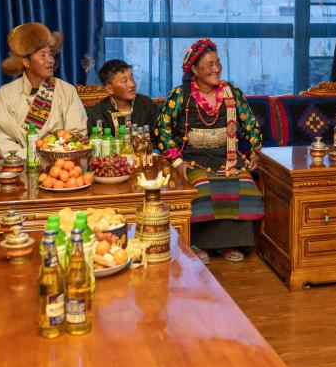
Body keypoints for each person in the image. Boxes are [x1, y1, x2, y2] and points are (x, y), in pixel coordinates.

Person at [155, 39, 263, 263]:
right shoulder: (180, 96)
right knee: (203, 187)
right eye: (210, 64)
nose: (217, 69)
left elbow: (251, 125)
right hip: (193, 159)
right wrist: (178, 163)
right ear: (195, 70)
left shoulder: (232, 93)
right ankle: (197, 243)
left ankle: (229, 243)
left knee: (244, 184)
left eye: (218, 62)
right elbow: (161, 130)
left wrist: (255, 152)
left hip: (228, 157)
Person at [0, 22, 88, 158]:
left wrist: (53, 151)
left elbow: (76, 133)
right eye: (43, 55)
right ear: (26, 62)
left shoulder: (67, 91)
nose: (50, 60)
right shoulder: (5, 94)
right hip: (18, 162)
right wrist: (31, 156)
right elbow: (1, 139)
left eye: (51, 54)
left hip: (58, 161)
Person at [85, 59, 159, 136]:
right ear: (109, 89)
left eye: (132, 78)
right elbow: (95, 140)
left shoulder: (147, 105)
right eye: (124, 81)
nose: (132, 84)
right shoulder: (99, 112)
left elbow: (157, 138)